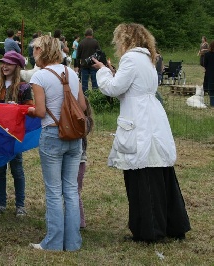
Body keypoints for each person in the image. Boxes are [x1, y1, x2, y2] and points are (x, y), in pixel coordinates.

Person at [92, 23, 191, 243]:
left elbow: (113, 89)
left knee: (143, 175)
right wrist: (112, 72)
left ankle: (150, 230)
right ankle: (174, 224)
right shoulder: (147, 58)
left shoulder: (130, 59)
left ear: (125, 39)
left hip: (139, 120)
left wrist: (102, 72)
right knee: (161, 173)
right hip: (153, 116)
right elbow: (131, 86)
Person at [27, 35, 86, 251]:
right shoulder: (72, 72)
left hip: (52, 134)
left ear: (41, 49)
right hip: (74, 136)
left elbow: (41, 111)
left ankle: (52, 242)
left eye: (34, 49)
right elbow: (82, 106)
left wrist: (29, 111)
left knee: (53, 191)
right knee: (70, 190)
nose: (32, 52)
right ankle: (72, 242)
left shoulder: (39, 76)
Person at [0, 51, 33, 217]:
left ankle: (20, 205)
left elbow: (30, 109)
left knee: (17, 169)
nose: (4, 66)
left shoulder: (24, 87)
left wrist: (18, 108)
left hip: (14, 135)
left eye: (9, 63)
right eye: (3, 63)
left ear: (17, 66)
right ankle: (1, 204)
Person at [77, 97, 94, 229]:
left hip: (79, 161)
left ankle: (80, 221)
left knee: (75, 192)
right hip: (77, 161)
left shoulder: (85, 121)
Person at [77, 28, 101, 93]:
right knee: (95, 83)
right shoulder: (95, 42)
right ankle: (95, 96)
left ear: (85, 34)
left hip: (84, 66)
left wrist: (78, 66)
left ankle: (85, 99)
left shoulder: (81, 43)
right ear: (92, 34)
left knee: (84, 84)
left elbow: (78, 56)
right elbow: (99, 53)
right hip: (94, 65)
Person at [203, 40, 214, 107]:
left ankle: (212, 103)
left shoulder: (207, 54)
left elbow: (205, 64)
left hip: (210, 74)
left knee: (211, 90)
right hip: (210, 73)